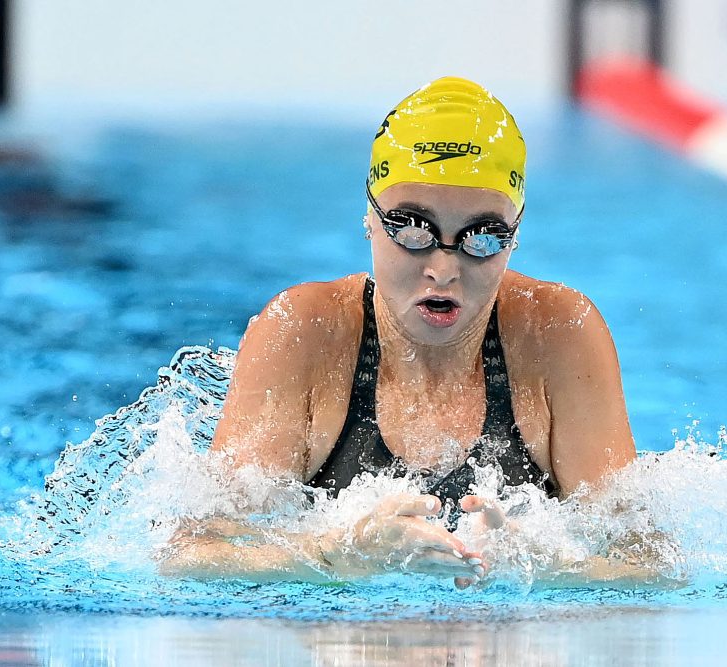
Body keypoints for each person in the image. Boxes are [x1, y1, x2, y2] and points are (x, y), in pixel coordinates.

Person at [160, 77, 638, 588]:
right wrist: (335, 554)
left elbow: (650, 562)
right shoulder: (302, 332)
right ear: (370, 217)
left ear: (515, 234)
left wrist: (543, 565)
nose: (443, 268)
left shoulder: (559, 333)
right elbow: (194, 554)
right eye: (413, 229)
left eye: (482, 238)